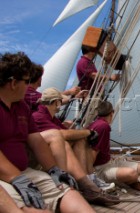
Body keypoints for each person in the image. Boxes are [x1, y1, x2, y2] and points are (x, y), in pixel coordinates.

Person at [0, 52, 95, 212]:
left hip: (24, 172)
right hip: (5, 176)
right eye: (27, 81)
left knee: (69, 195)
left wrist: (53, 169)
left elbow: (36, 140)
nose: (29, 85)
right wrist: (16, 178)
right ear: (13, 83)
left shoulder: (22, 107)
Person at [32, 87, 119, 206]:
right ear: (56, 102)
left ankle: (90, 181)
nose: (61, 104)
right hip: (42, 161)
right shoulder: (39, 116)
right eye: (59, 102)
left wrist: (76, 131)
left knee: (79, 139)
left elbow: (66, 132)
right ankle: (88, 185)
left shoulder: (50, 117)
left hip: (51, 155)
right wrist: (89, 132)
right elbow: (63, 135)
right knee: (76, 140)